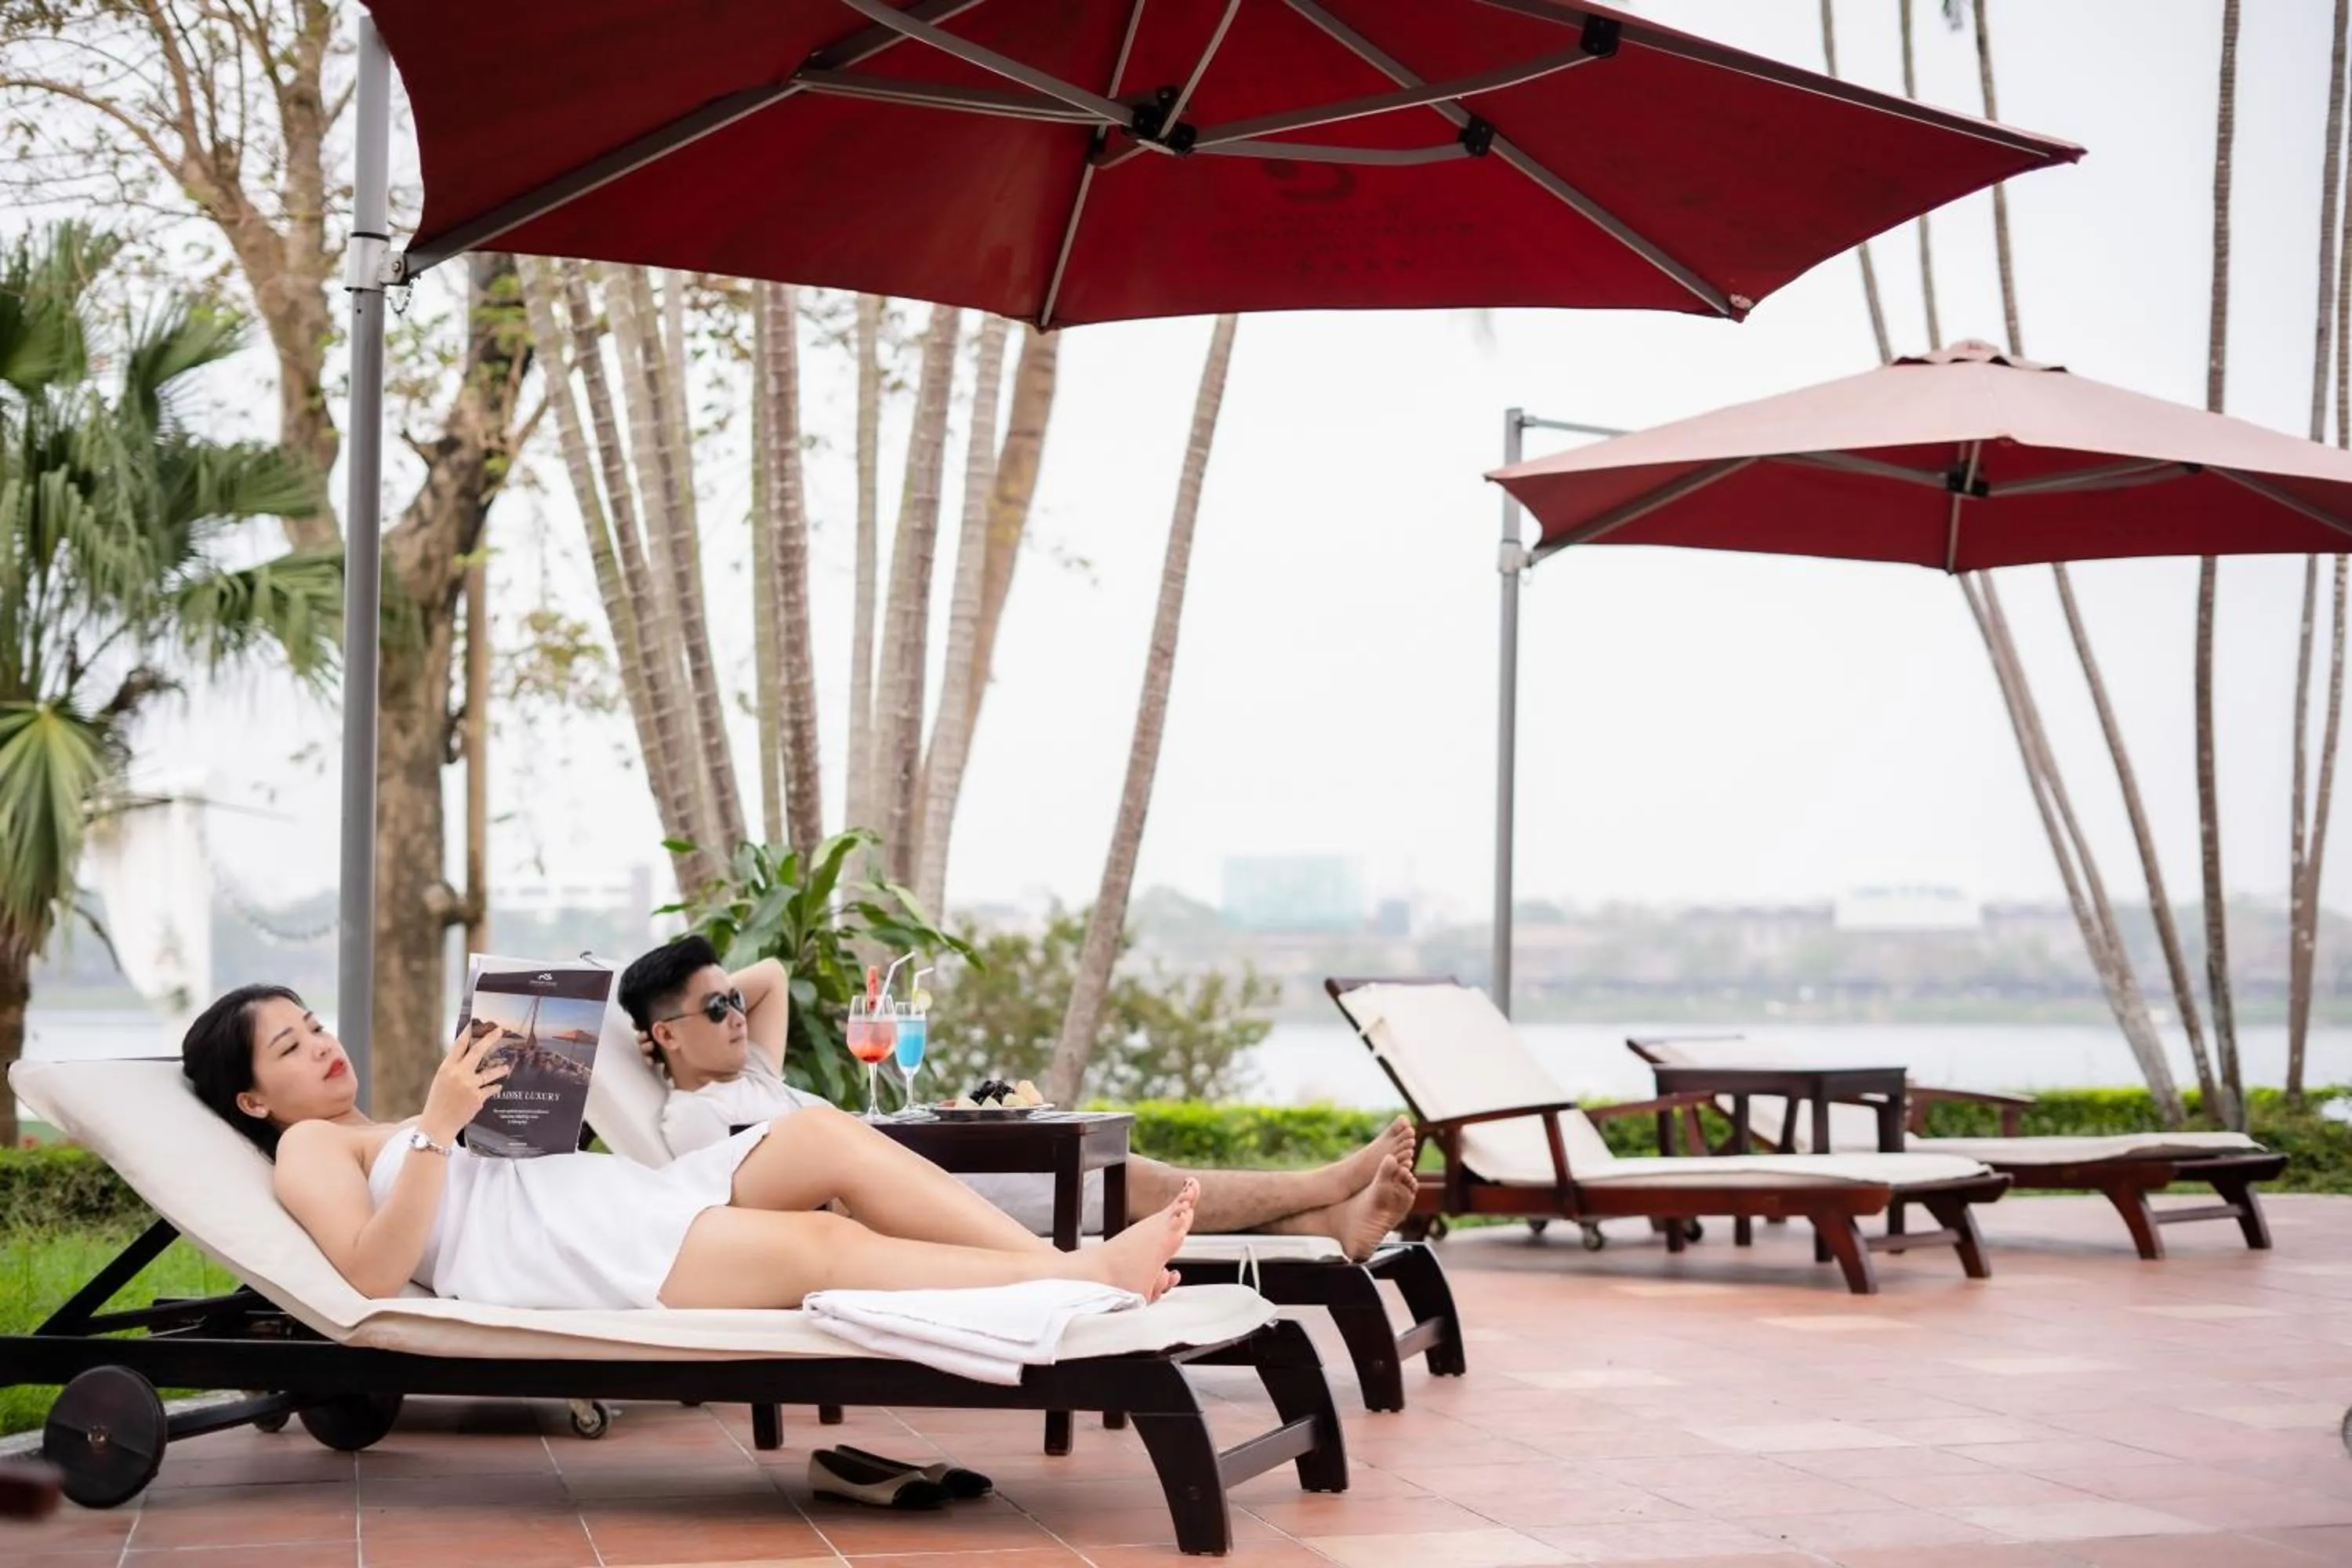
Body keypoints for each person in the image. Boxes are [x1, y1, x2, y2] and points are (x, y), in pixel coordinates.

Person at [180, 985, 1200, 1311]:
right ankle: (1078, 1278)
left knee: (822, 1132)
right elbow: (370, 1273)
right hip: (573, 1250)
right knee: (818, 1246)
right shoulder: (307, 1148)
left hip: (611, 1195)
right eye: (290, 1047)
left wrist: (523, 1099)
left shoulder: (387, 1126)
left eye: (315, 1024)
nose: (322, 1045)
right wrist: (442, 1128)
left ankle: (1060, 1267)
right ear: (251, 1097)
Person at [622, 937, 1421, 1262]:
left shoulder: (752, 1076)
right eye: (716, 1008)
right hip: (910, 1202)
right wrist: (661, 1034)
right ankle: (1324, 1183)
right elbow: (749, 1210)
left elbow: (768, 976)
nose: (738, 1013)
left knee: (1119, 1177)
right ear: (666, 1035)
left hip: (918, 1170)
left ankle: (1325, 1224)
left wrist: (695, 1011)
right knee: (1129, 1182)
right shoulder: (693, 1116)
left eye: (733, 1002)